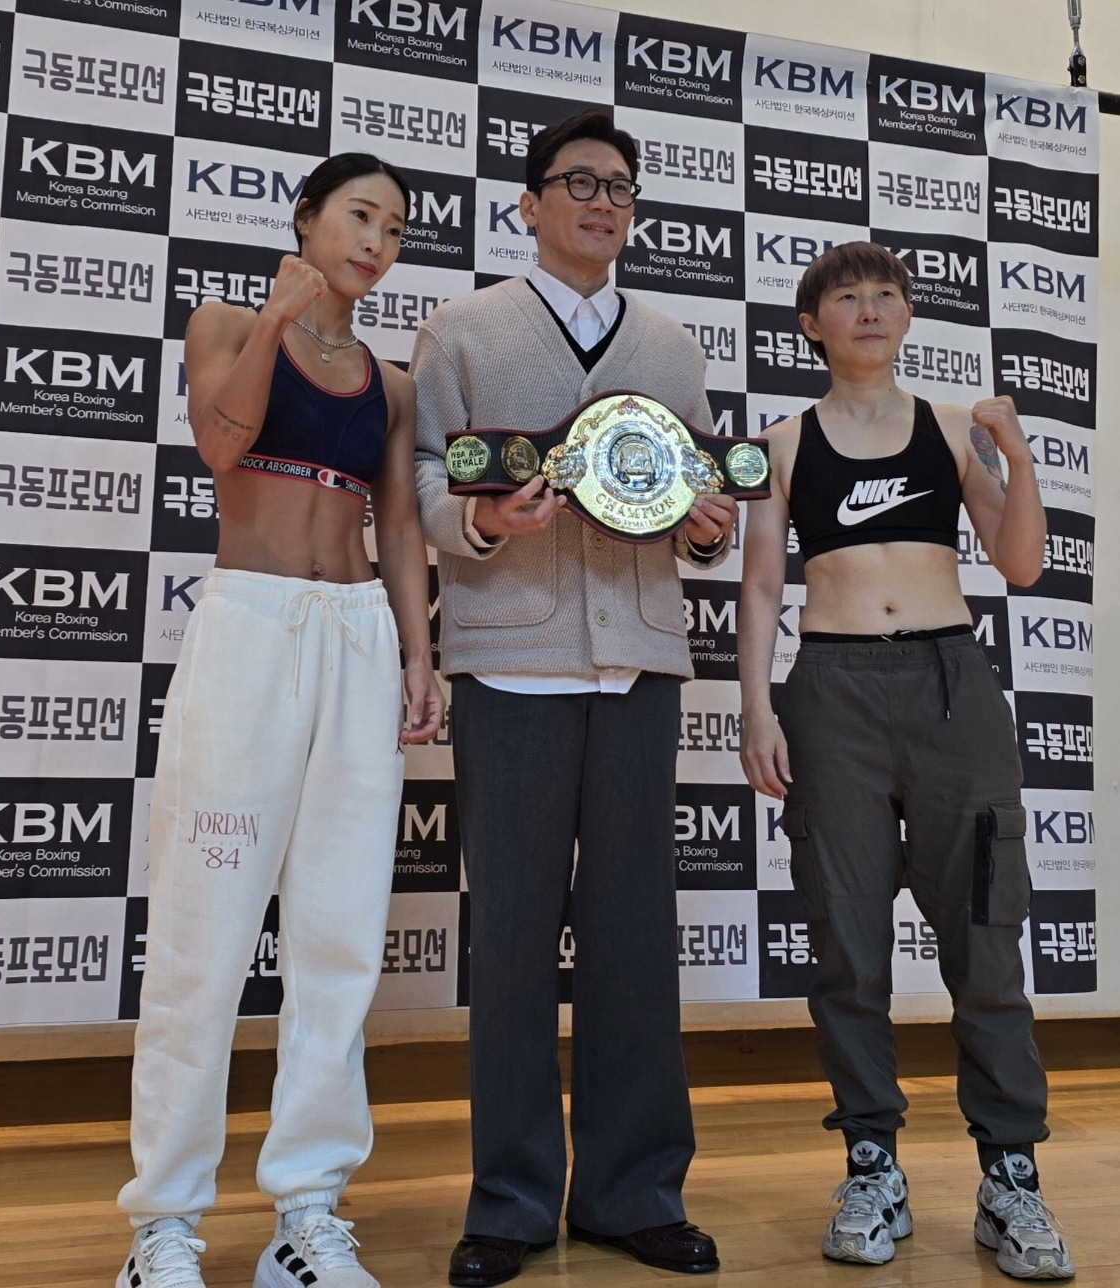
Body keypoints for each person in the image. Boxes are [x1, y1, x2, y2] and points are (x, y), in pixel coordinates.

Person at [411, 109, 738, 1287]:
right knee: (507, 936)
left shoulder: (674, 347)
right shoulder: (463, 330)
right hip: (511, 661)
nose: (604, 203)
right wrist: (483, 518)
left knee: (635, 933)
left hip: (639, 659)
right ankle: (505, 1202)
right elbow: (422, 479)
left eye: (621, 188)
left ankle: (632, 1192)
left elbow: (698, 496)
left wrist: (707, 530)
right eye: (580, 182)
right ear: (529, 203)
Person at [116, 153, 444, 1288]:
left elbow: (399, 526)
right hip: (250, 627)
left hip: (355, 635)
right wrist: (273, 319)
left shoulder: (391, 383)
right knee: (202, 938)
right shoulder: (222, 322)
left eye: (394, 228)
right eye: (359, 216)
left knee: (339, 938)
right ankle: (164, 1224)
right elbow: (220, 443)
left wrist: (418, 656)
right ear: (306, 219)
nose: (376, 242)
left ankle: (307, 1211)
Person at [737, 241, 1074, 1280]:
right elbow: (760, 586)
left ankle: (1010, 1175)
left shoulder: (951, 428)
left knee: (984, 938)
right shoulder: (783, 443)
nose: (870, 309)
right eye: (847, 296)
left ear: (908, 314)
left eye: (887, 294)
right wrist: (756, 709)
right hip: (831, 690)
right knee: (846, 943)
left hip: (949, 685)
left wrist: (1017, 458)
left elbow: (1021, 561)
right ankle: (872, 1167)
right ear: (812, 325)